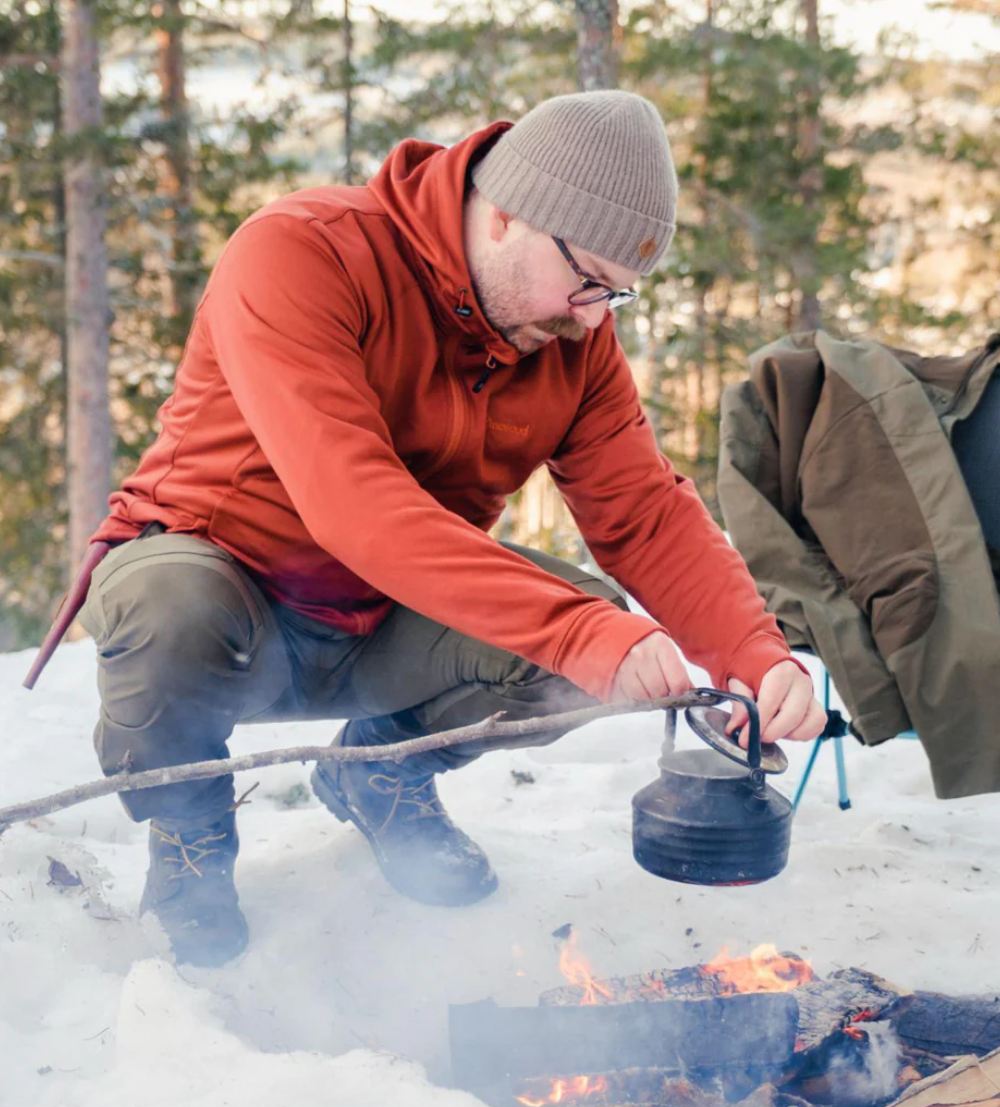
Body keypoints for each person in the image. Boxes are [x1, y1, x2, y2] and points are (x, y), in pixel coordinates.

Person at [78, 90, 825, 967]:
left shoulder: (571, 338)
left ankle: (380, 772)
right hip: (226, 607)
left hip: (380, 622)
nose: (593, 317)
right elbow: (353, 500)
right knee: (169, 602)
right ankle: (189, 832)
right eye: (587, 281)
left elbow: (646, 512)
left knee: (580, 622)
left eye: (617, 295)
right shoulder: (303, 253)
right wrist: (582, 633)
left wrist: (754, 653)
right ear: (505, 215)